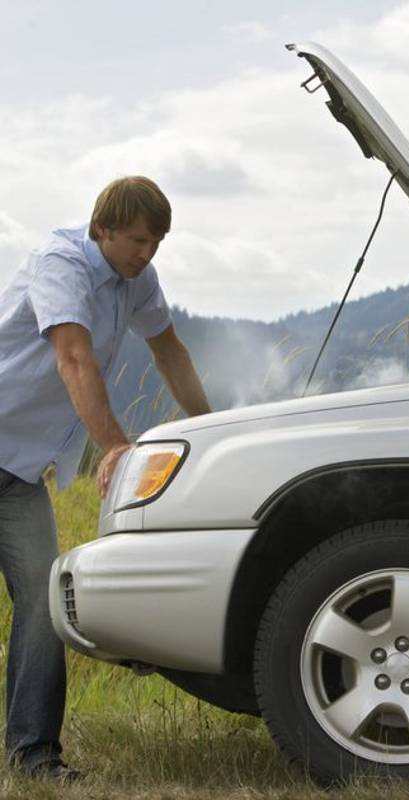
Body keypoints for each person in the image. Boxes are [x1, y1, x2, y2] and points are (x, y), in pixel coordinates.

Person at [0, 176, 212, 779]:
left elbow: (168, 350)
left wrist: (214, 428)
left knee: (44, 603)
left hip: (15, 474)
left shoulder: (136, 278)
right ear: (103, 230)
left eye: (158, 243)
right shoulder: (59, 263)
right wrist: (115, 444)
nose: (148, 254)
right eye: (139, 240)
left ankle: (34, 757)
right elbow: (73, 356)